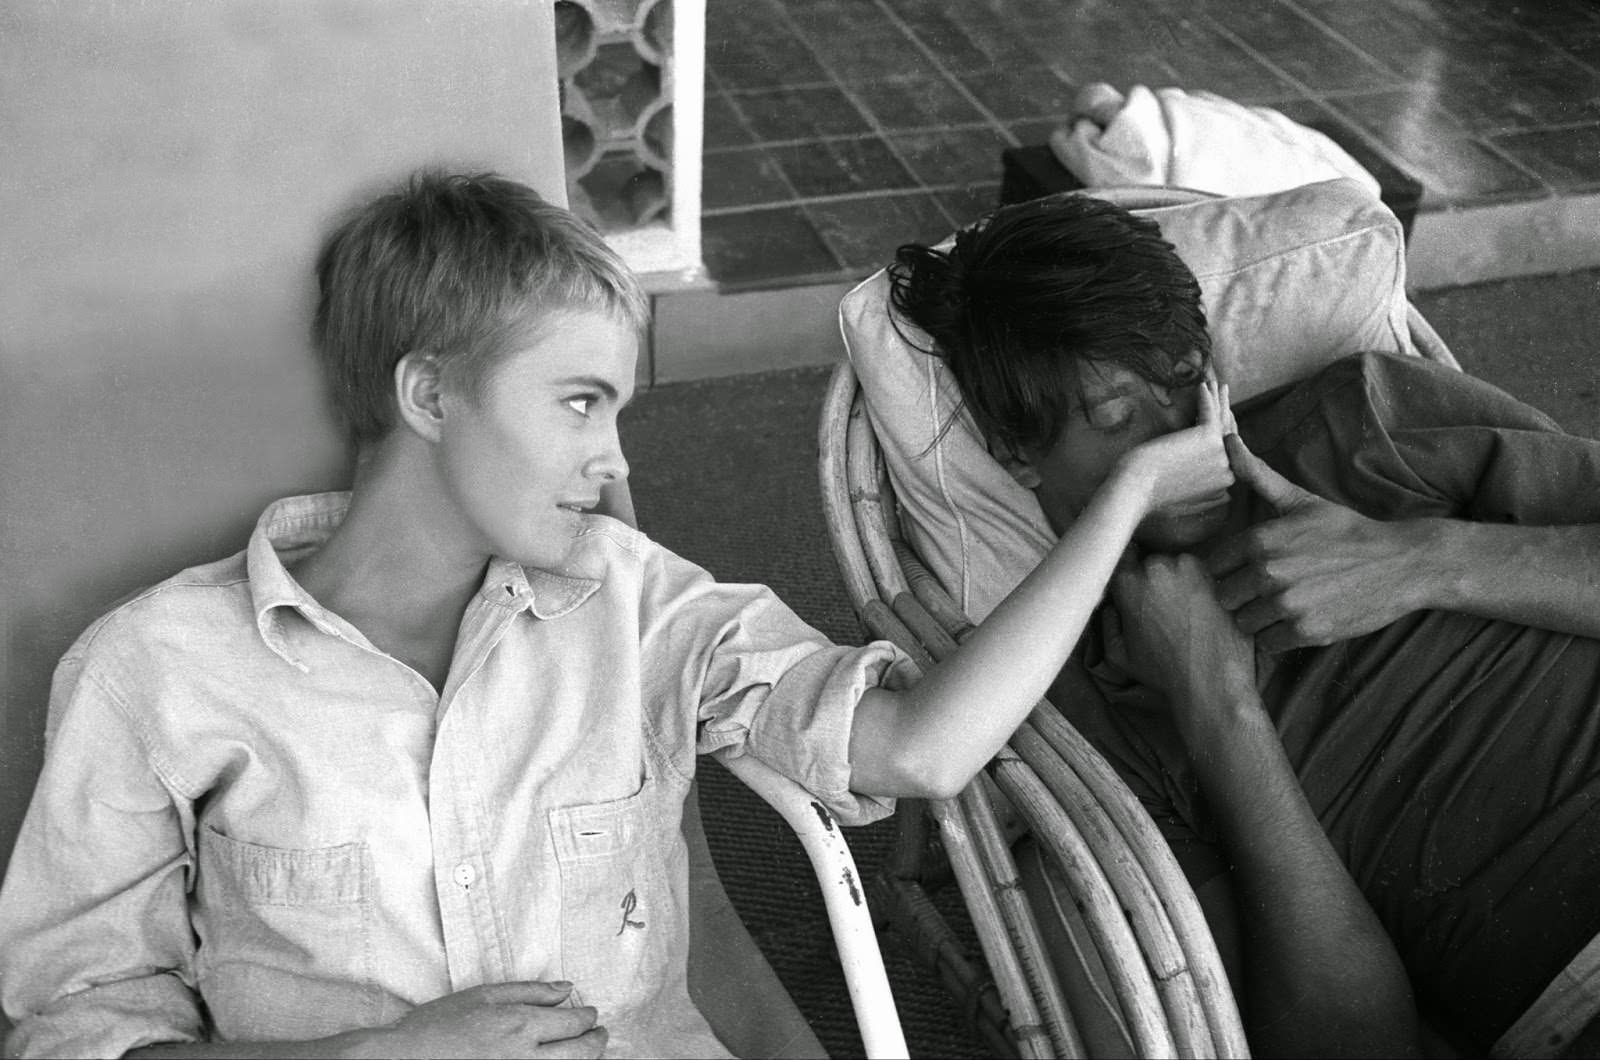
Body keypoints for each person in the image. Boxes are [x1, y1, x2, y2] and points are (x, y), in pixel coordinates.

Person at [0, 171, 1236, 1059]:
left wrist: (1121, 494)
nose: (612, 459)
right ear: (429, 391)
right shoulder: (155, 671)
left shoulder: (640, 608)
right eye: (580, 402)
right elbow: (74, 1027)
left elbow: (921, 746)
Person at [889, 192, 1600, 1058]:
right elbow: (1351, 1044)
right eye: (1116, 421)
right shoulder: (1084, 697)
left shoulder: (1358, 420)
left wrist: (1419, 559)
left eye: (1187, 377)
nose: (1184, 433)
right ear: (1015, 454)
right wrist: (1218, 704)